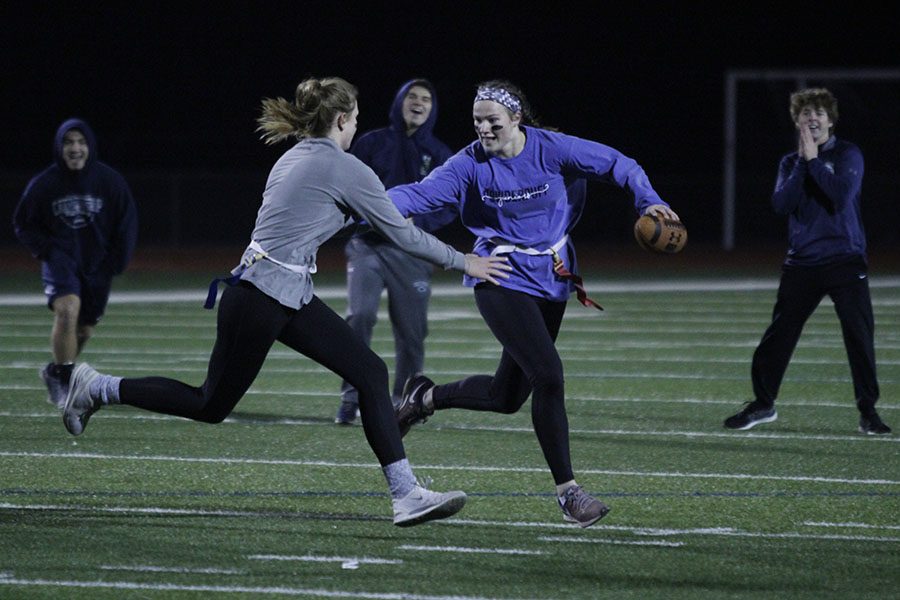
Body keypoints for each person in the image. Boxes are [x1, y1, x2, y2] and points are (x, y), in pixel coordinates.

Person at [60, 76, 511, 527]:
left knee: (370, 372)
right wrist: (463, 261)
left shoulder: (294, 156)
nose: (357, 126)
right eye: (354, 118)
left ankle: (406, 493)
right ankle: (97, 387)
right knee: (208, 404)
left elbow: (317, 220)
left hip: (282, 292)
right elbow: (403, 233)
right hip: (260, 297)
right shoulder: (344, 166)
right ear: (340, 119)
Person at [388, 79, 679, 527]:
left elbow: (620, 164)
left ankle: (423, 397)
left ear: (517, 118)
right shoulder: (468, 163)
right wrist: (364, 202)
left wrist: (650, 199)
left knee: (507, 397)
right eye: (477, 121)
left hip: (552, 275)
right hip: (499, 273)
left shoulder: (553, 149)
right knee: (549, 373)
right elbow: (417, 195)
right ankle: (569, 494)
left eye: (494, 121)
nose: (484, 129)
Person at [724, 87, 891, 435]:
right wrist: (804, 161)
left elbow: (841, 195)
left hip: (845, 260)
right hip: (802, 263)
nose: (811, 118)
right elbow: (781, 205)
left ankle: (868, 411)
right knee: (779, 336)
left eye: (818, 112)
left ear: (830, 120)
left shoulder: (848, 154)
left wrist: (814, 160)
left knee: (859, 335)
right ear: (797, 121)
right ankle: (763, 404)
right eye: (805, 113)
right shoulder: (790, 162)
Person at [335, 78, 458, 425]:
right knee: (359, 317)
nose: (418, 103)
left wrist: (421, 220)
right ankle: (350, 398)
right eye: (412, 97)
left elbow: (451, 204)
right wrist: (362, 221)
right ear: (400, 101)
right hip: (368, 247)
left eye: (426, 99)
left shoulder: (440, 154)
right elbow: (345, 187)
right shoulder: (372, 142)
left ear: (433, 109)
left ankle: (405, 403)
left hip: (413, 254)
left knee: (412, 333)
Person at [12, 118, 138, 409]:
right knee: (68, 311)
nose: (75, 148)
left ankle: (55, 371)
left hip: (97, 265)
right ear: (59, 147)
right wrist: (46, 250)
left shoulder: (109, 181)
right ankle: (66, 379)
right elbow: (22, 223)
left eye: (80, 142)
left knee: (84, 330)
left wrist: (118, 260)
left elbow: (127, 222)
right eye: (68, 142)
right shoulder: (44, 184)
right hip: (61, 261)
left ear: (90, 145)